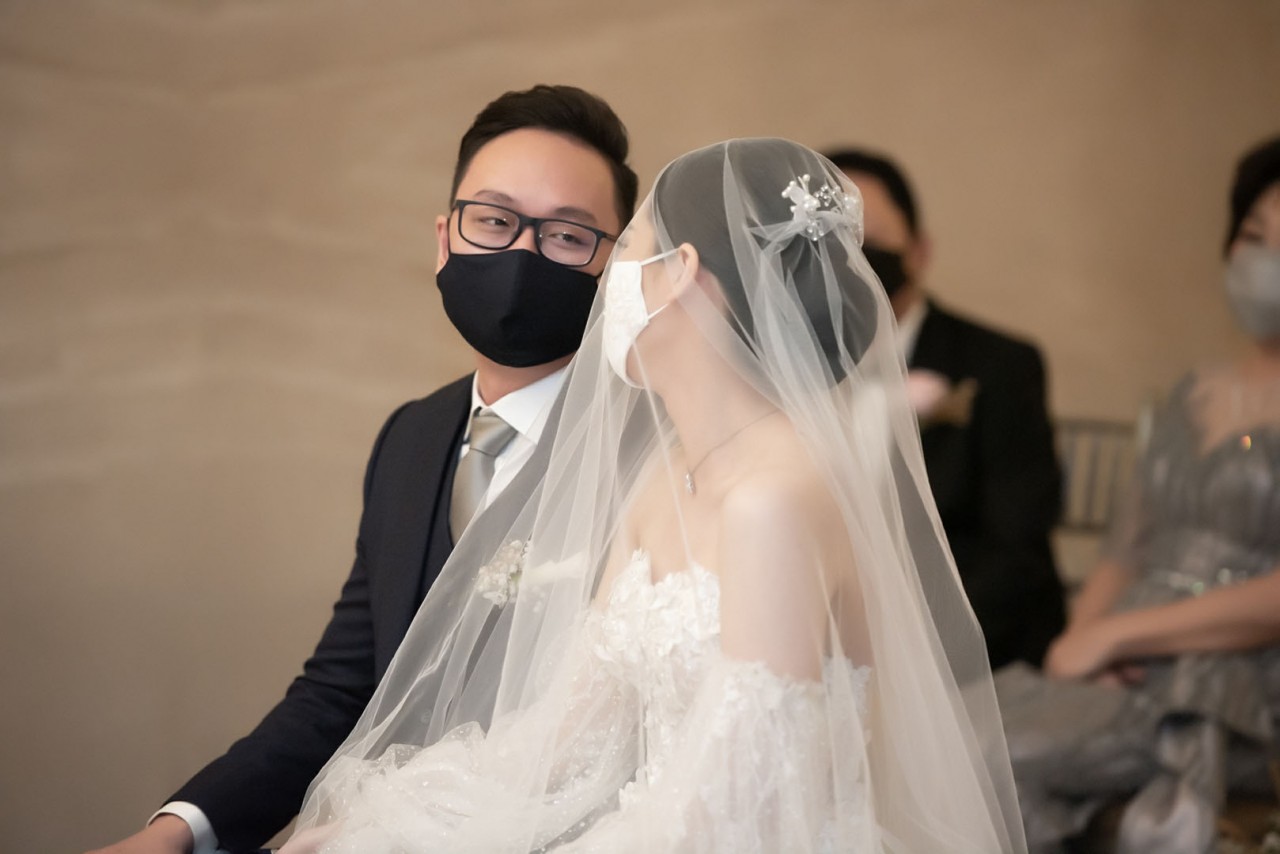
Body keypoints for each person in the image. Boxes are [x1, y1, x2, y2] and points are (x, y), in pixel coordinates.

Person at [278, 138, 1027, 853]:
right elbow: (566, 735)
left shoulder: (774, 502)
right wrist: (388, 828)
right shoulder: (667, 478)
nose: (607, 285)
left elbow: (737, 815)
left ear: (679, 271)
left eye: (628, 247)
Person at [89, 84, 638, 854]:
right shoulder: (412, 438)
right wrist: (178, 830)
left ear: (615, 266)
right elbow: (339, 691)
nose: (522, 254)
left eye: (568, 236)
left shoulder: (654, 449)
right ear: (445, 239)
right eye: (494, 221)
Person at [997, 134, 1280, 854]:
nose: (1266, 261)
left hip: (1237, 681)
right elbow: (1127, 547)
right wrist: (1080, 645)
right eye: (1255, 237)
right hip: (1128, 657)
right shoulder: (1193, 392)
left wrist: (1122, 635)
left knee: (992, 758)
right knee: (954, 729)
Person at [820, 148, 1066, 670]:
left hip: (968, 649)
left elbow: (1015, 544)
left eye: (869, 239)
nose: (854, 260)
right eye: (834, 243)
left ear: (919, 251)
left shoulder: (1000, 365)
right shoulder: (791, 376)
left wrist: (904, 652)